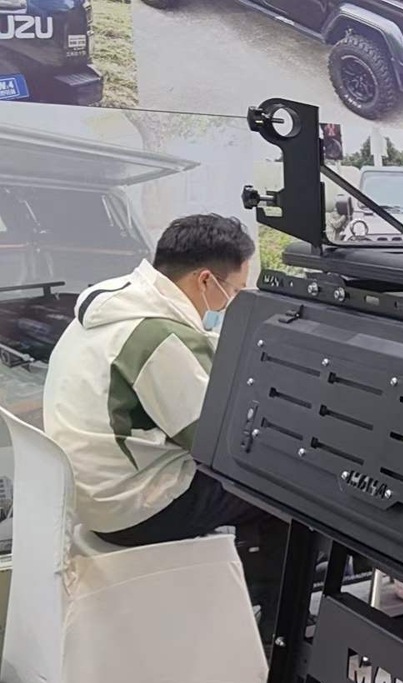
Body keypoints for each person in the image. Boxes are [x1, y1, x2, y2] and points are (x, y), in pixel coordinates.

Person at [43, 214, 287, 621]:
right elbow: (216, 444)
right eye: (234, 291)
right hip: (134, 510)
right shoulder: (160, 338)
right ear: (205, 280)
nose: (230, 303)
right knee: (284, 492)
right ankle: (276, 623)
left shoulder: (112, 304)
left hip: (90, 495)